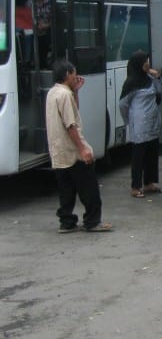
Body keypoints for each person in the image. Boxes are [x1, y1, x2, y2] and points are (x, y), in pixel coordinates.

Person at [45, 59, 113, 233]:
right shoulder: (64, 95)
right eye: (74, 73)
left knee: (66, 190)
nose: (76, 76)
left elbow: (72, 112)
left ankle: (66, 222)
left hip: (58, 151)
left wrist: (75, 92)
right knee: (89, 188)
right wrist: (82, 148)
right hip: (72, 150)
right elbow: (71, 124)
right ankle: (92, 221)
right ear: (67, 74)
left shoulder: (53, 93)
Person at [119, 50, 162, 198]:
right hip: (139, 123)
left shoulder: (149, 78)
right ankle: (136, 186)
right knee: (139, 156)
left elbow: (160, 92)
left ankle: (150, 182)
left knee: (152, 153)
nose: (148, 64)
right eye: (145, 61)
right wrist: (129, 120)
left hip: (152, 121)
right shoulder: (131, 83)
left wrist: (157, 77)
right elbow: (123, 105)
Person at [28, 0, 52, 68]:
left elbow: (57, 20)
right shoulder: (29, 3)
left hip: (48, 31)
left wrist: (46, 25)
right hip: (35, 32)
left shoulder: (51, 1)